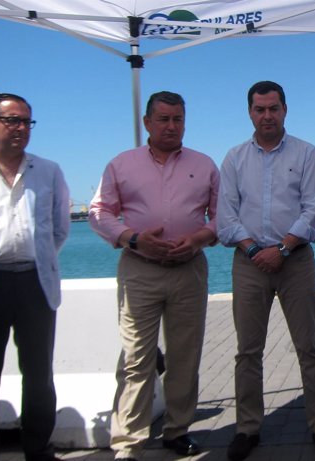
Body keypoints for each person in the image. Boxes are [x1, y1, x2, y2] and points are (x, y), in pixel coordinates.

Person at [89, 91, 219, 461]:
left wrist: (198, 238)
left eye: (178, 119)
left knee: (185, 357)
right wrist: (132, 238)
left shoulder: (205, 164)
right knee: (136, 358)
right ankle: (128, 442)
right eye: (163, 119)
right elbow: (100, 212)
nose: (171, 126)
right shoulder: (121, 164)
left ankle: (177, 431)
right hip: (139, 270)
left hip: (189, 270)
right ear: (147, 122)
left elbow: (223, 216)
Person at [217, 81, 315, 461]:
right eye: (259, 109)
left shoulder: (306, 153)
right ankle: (247, 428)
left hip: (296, 261)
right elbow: (225, 216)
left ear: (285, 110)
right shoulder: (234, 159)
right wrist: (255, 250)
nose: (267, 115)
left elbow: (313, 209)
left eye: (273, 108)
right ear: (250, 113)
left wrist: (283, 248)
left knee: (309, 347)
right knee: (247, 351)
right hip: (249, 263)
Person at [0, 93, 70, 461]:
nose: (20, 128)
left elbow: (59, 228)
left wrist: (40, 259)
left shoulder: (48, 171)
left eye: (26, 122)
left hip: (35, 283)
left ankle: (39, 449)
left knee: (38, 375)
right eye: (12, 120)